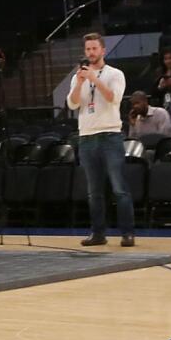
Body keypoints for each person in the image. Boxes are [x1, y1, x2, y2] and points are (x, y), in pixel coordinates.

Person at [68, 33, 133, 247]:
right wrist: (79, 83)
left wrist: (94, 79)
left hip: (110, 136)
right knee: (93, 191)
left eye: (94, 49)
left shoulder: (115, 74)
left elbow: (113, 98)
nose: (90, 53)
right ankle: (98, 233)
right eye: (87, 49)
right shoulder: (79, 76)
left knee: (119, 188)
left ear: (103, 50)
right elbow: (73, 104)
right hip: (86, 137)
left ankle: (127, 233)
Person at [153, 47, 171, 131]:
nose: (168, 61)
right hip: (165, 105)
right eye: (166, 59)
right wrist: (160, 87)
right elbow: (153, 93)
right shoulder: (159, 72)